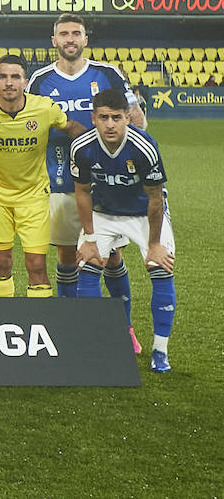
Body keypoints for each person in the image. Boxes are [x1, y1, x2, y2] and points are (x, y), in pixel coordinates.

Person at [28, 14, 146, 333]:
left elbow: (136, 119)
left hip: (106, 184)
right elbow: (29, 125)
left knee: (111, 258)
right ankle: (72, 327)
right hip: (60, 182)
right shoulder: (39, 80)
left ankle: (125, 328)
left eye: (75, 33)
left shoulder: (107, 73)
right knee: (68, 256)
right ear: (54, 41)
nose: (70, 39)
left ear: (85, 39)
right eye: (63, 34)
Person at [71, 89, 177, 372]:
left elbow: (156, 198)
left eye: (116, 117)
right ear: (93, 118)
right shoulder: (81, 147)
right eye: (103, 117)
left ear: (128, 118)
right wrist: (91, 239)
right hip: (104, 211)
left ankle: (160, 351)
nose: (110, 124)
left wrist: (154, 244)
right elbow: (82, 193)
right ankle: (99, 344)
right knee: (88, 264)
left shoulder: (144, 146)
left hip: (144, 213)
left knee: (160, 265)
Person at [0, 54, 84, 298]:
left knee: (37, 266)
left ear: (25, 82)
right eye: (3, 77)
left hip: (34, 198)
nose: (9, 83)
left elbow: (71, 128)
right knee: (2, 263)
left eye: (15, 77)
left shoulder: (44, 108)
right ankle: (4, 318)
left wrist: (100, 146)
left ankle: (39, 324)